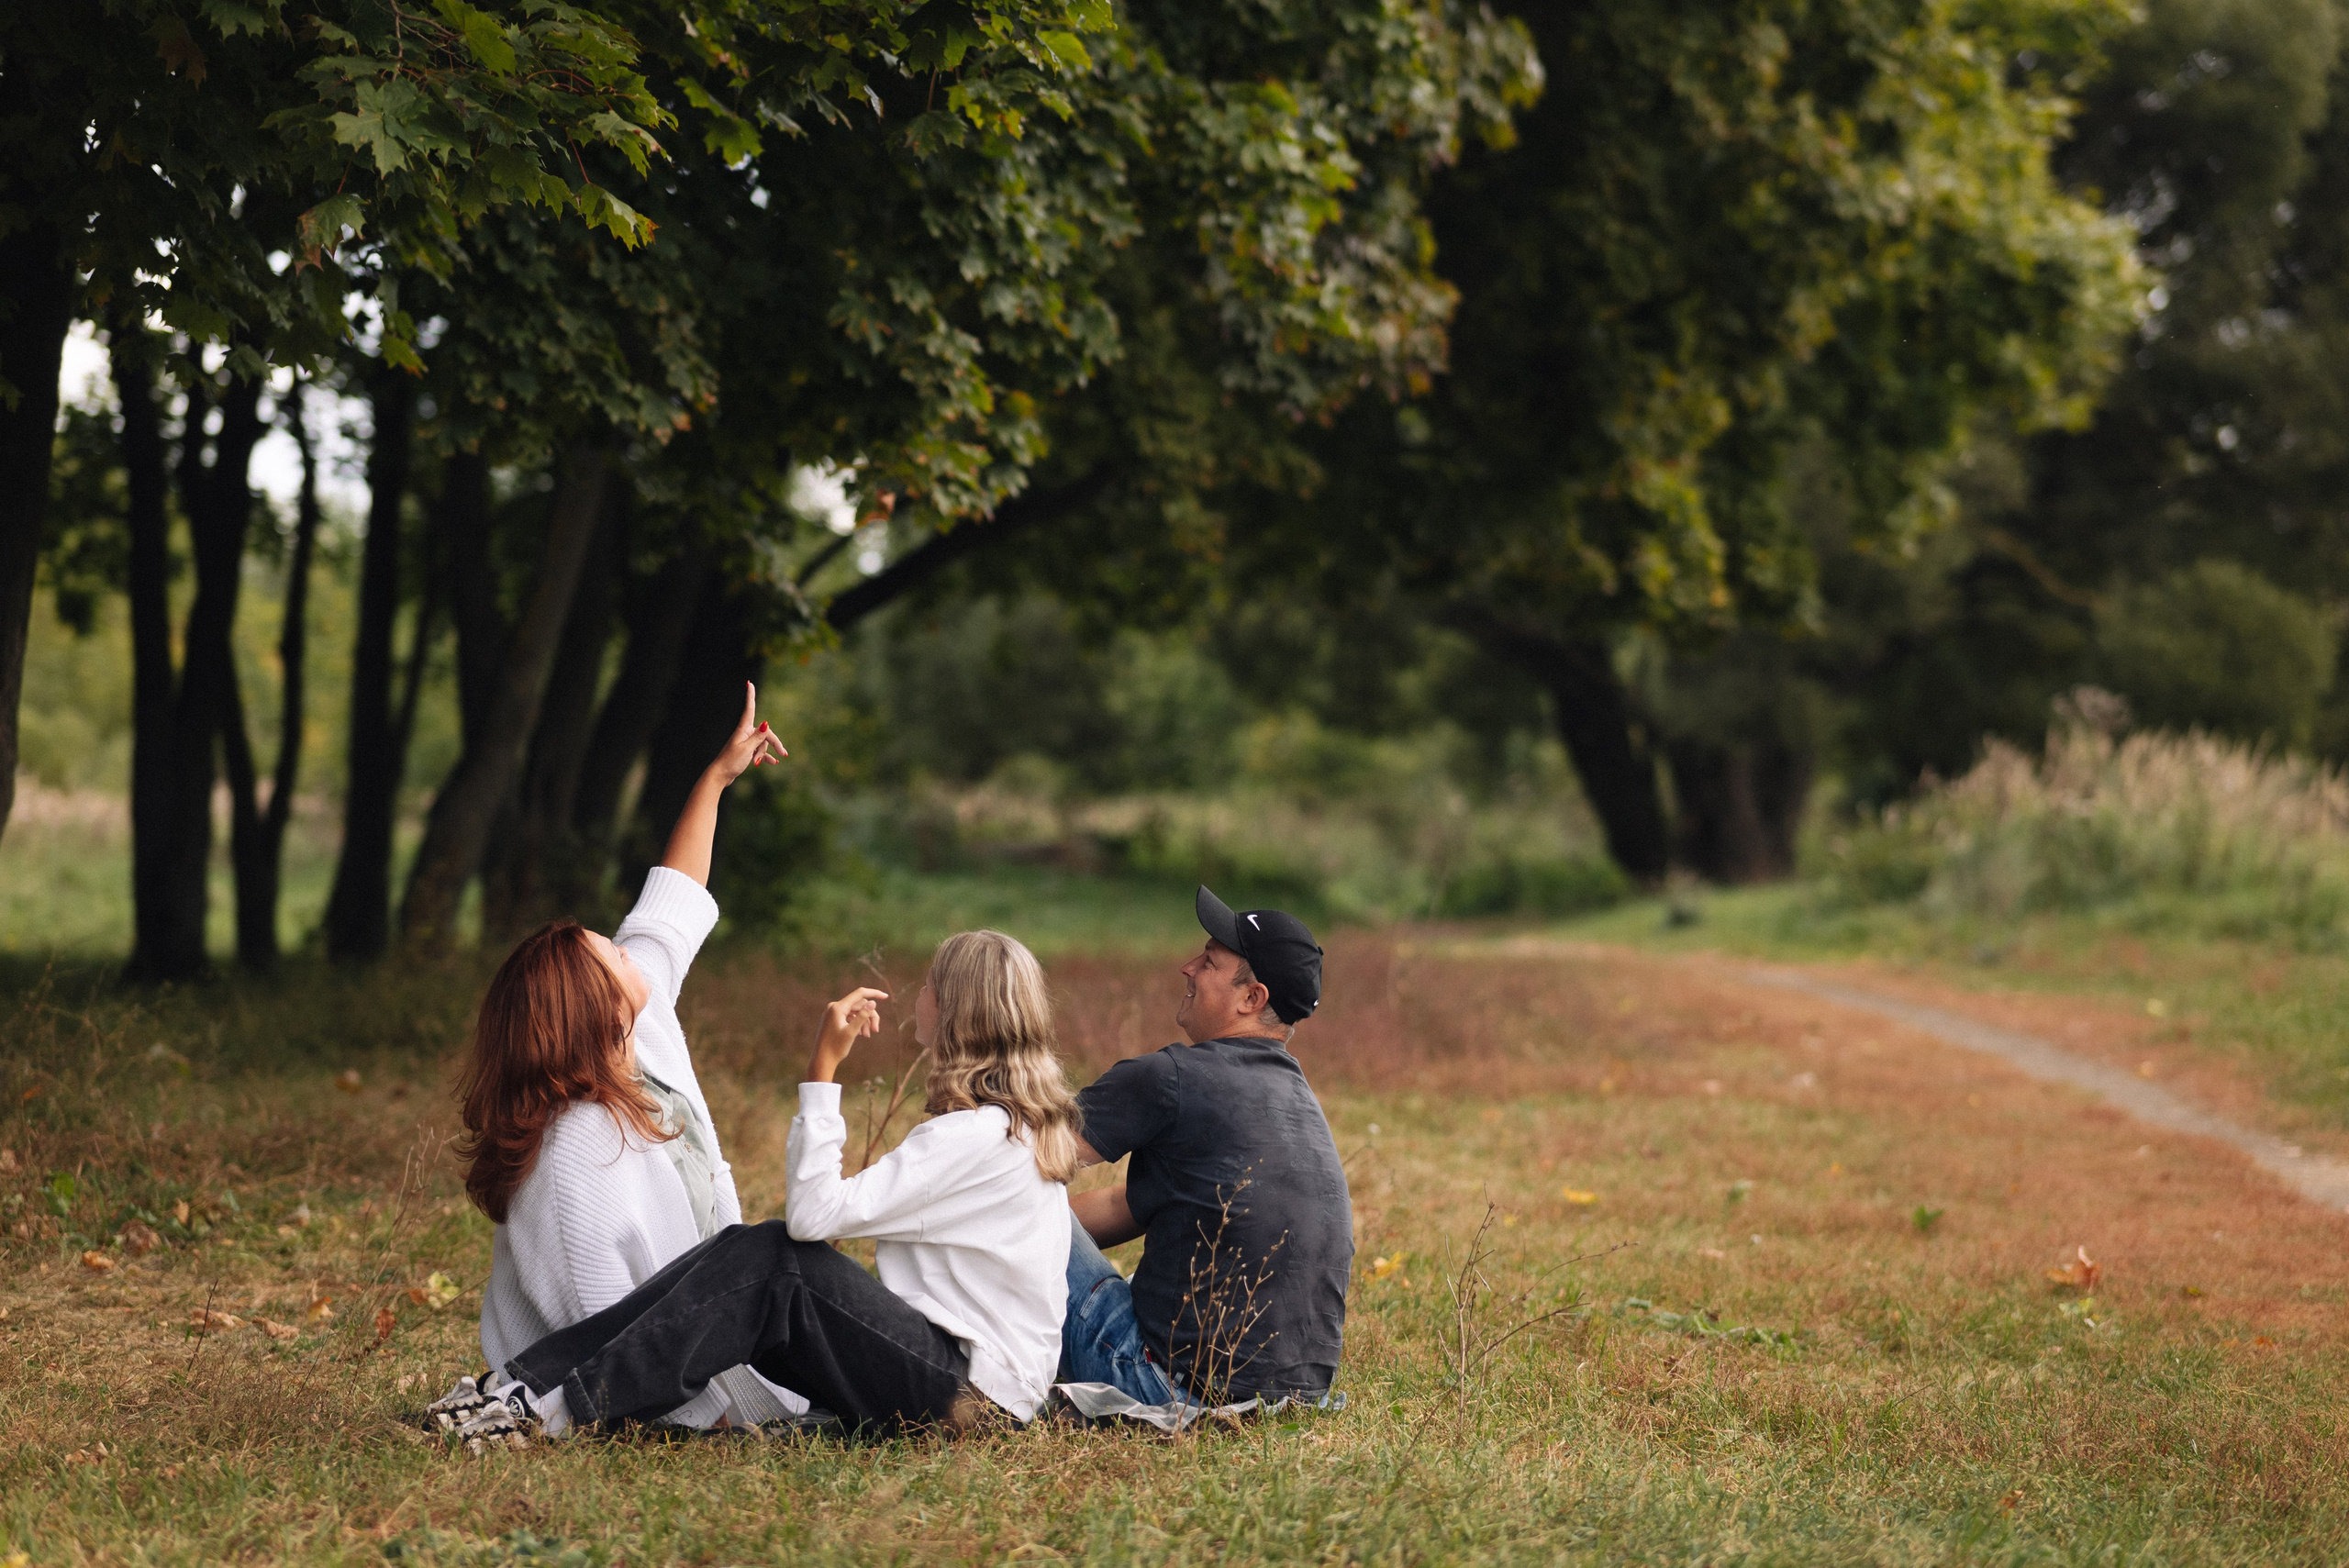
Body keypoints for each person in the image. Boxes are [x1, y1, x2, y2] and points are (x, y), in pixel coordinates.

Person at [438, 929, 1081, 1445]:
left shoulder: (972, 1138)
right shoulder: (1004, 1129)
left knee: (776, 1259)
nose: (918, 994)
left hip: (968, 1401)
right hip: (982, 1394)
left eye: (930, 984)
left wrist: (822, 1069)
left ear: (953, 1010)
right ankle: (524, 1385)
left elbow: (812, 1215)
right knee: (756, 1257)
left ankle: (553, 1407)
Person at [438, 684, 798, 1437]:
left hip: (706, 1344)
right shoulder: (578, 1151)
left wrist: (716, 780)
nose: (620, 941)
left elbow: (670, 906)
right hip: (640, 1384)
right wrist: (721, 1414)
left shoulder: (636, 1034)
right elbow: (602, 1335)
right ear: (593, 1010)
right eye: (607, 952)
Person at [1059, 886, 1353, 1407]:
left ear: (1251, 998)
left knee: (994, 1205)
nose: (1187, 967)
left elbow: (1014, 1161)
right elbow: (1123, 1206)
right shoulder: (1297, 1100)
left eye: (1210, 961)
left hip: (1161, 1383)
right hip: (1297, 1399)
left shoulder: (1170, 1078)